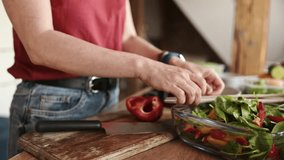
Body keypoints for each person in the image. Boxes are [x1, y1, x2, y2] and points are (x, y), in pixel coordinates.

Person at [3, 0, 224, 158]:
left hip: (109, 98)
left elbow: (126, 37)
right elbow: (40, 43)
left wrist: (171, 62)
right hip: (51, 104)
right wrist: (145, 68)